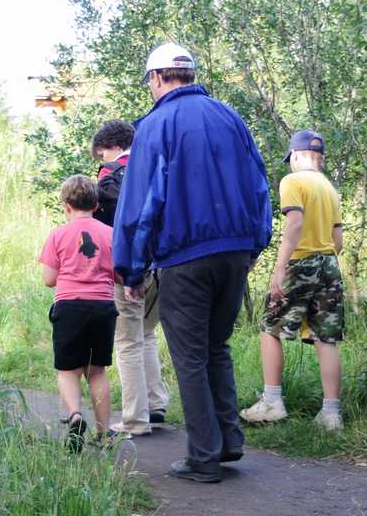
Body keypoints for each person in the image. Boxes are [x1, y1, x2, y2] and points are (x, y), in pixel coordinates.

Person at [113, 42, 273, 483]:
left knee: (189, 357)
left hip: (185, 256)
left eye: (149, 81)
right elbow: (259, 185)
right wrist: (255, 245)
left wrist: (131, 269)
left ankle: (203, 458)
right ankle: (228, 441)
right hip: (235, 252)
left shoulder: (155, 125)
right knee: (216, 347)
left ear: (157, 77)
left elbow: (139, 205)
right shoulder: (229, 116)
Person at [239, 130, 346, 432]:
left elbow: (295, 223)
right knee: (326, 337)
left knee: (270, 327)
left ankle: (272, 401)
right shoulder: (330, 189)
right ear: (320, 158)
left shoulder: (293, 181)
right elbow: (338, 240)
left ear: (296, 156)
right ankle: (331, 415)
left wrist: (280, 268)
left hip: (299, 262)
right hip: (329, 263)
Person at [91, 119, 169, 437]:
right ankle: (156, 403)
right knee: (147, 333)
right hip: (162, 264)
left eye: (101, 154)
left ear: (111, 146)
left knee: (127, 341)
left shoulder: (110, 174)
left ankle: (135, 419)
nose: (102, 160)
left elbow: (115, 223)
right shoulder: (155, 164)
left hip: (128, 268)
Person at [39, 174, 118, 452]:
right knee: (96, 371)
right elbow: (119, 273)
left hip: (69, 307)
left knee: (68, 370)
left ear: (66, 206)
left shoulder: (58, 234)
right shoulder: (110, 233)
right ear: (96, 205)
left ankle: (74, 416)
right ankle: (104, 434)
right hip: (102, 307)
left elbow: (49, 279)